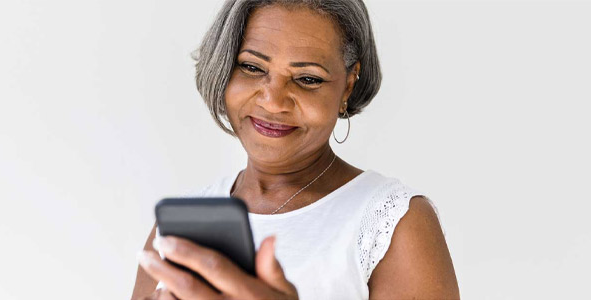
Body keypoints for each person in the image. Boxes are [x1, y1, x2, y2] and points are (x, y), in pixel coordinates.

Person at [132, 0, 459, 299]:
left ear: (347, 84)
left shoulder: (394, 222)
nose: (273, 102)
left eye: (308, 78)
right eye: (253, 67)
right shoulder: (178, 227)